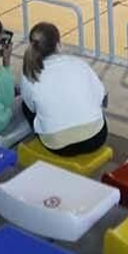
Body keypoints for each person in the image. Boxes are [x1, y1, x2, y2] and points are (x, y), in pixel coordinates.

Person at [20, 23, 107, 157]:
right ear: (58, 45)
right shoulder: (79, 64)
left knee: (25, 105)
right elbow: (101, 96)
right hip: (96, 138)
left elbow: (31, 108)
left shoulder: (29, 74)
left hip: (58, 145)